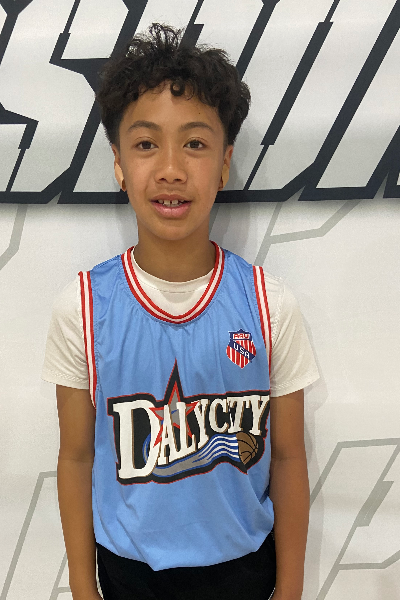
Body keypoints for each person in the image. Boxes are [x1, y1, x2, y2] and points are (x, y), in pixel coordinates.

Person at [42, 23, 319, 600]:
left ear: (224, 163)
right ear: (119, 163)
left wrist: (290, 589)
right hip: (129, 575)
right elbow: (75, 457)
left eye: (194, 143)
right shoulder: (84, 307)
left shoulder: (268, 303)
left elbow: (289, 458)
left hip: (244, 571)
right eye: (147, 144)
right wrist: (82, 586)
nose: (171, 168)